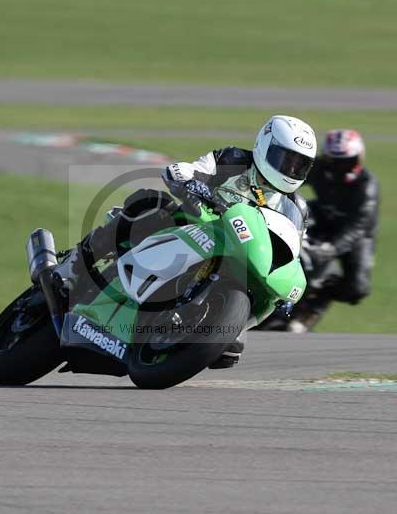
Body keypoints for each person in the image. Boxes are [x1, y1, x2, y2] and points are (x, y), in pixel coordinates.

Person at [57, 115, 318, 367]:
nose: (290, 169)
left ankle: (205, 328)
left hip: (240, 257)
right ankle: (77, 264)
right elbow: (192, 170)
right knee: (148, 203)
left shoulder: (297, 207)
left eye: (299, 165)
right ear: (264, 145)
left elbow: (291, 250)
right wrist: (186, 179)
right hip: (196, 223)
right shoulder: (233, 159)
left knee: (230, 350)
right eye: (285, 159)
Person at [263, 128, 379, 333]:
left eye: (348, 161)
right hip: (322, 215)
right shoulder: (318, 167)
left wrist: (330, 249)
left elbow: (358, 227)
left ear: (359, 158)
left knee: (358, 288)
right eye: (336, 161)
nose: (341, 167)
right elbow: (287, 178)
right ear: (327, 157)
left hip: (356, 234)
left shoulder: (366, 185)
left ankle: (316, 301)